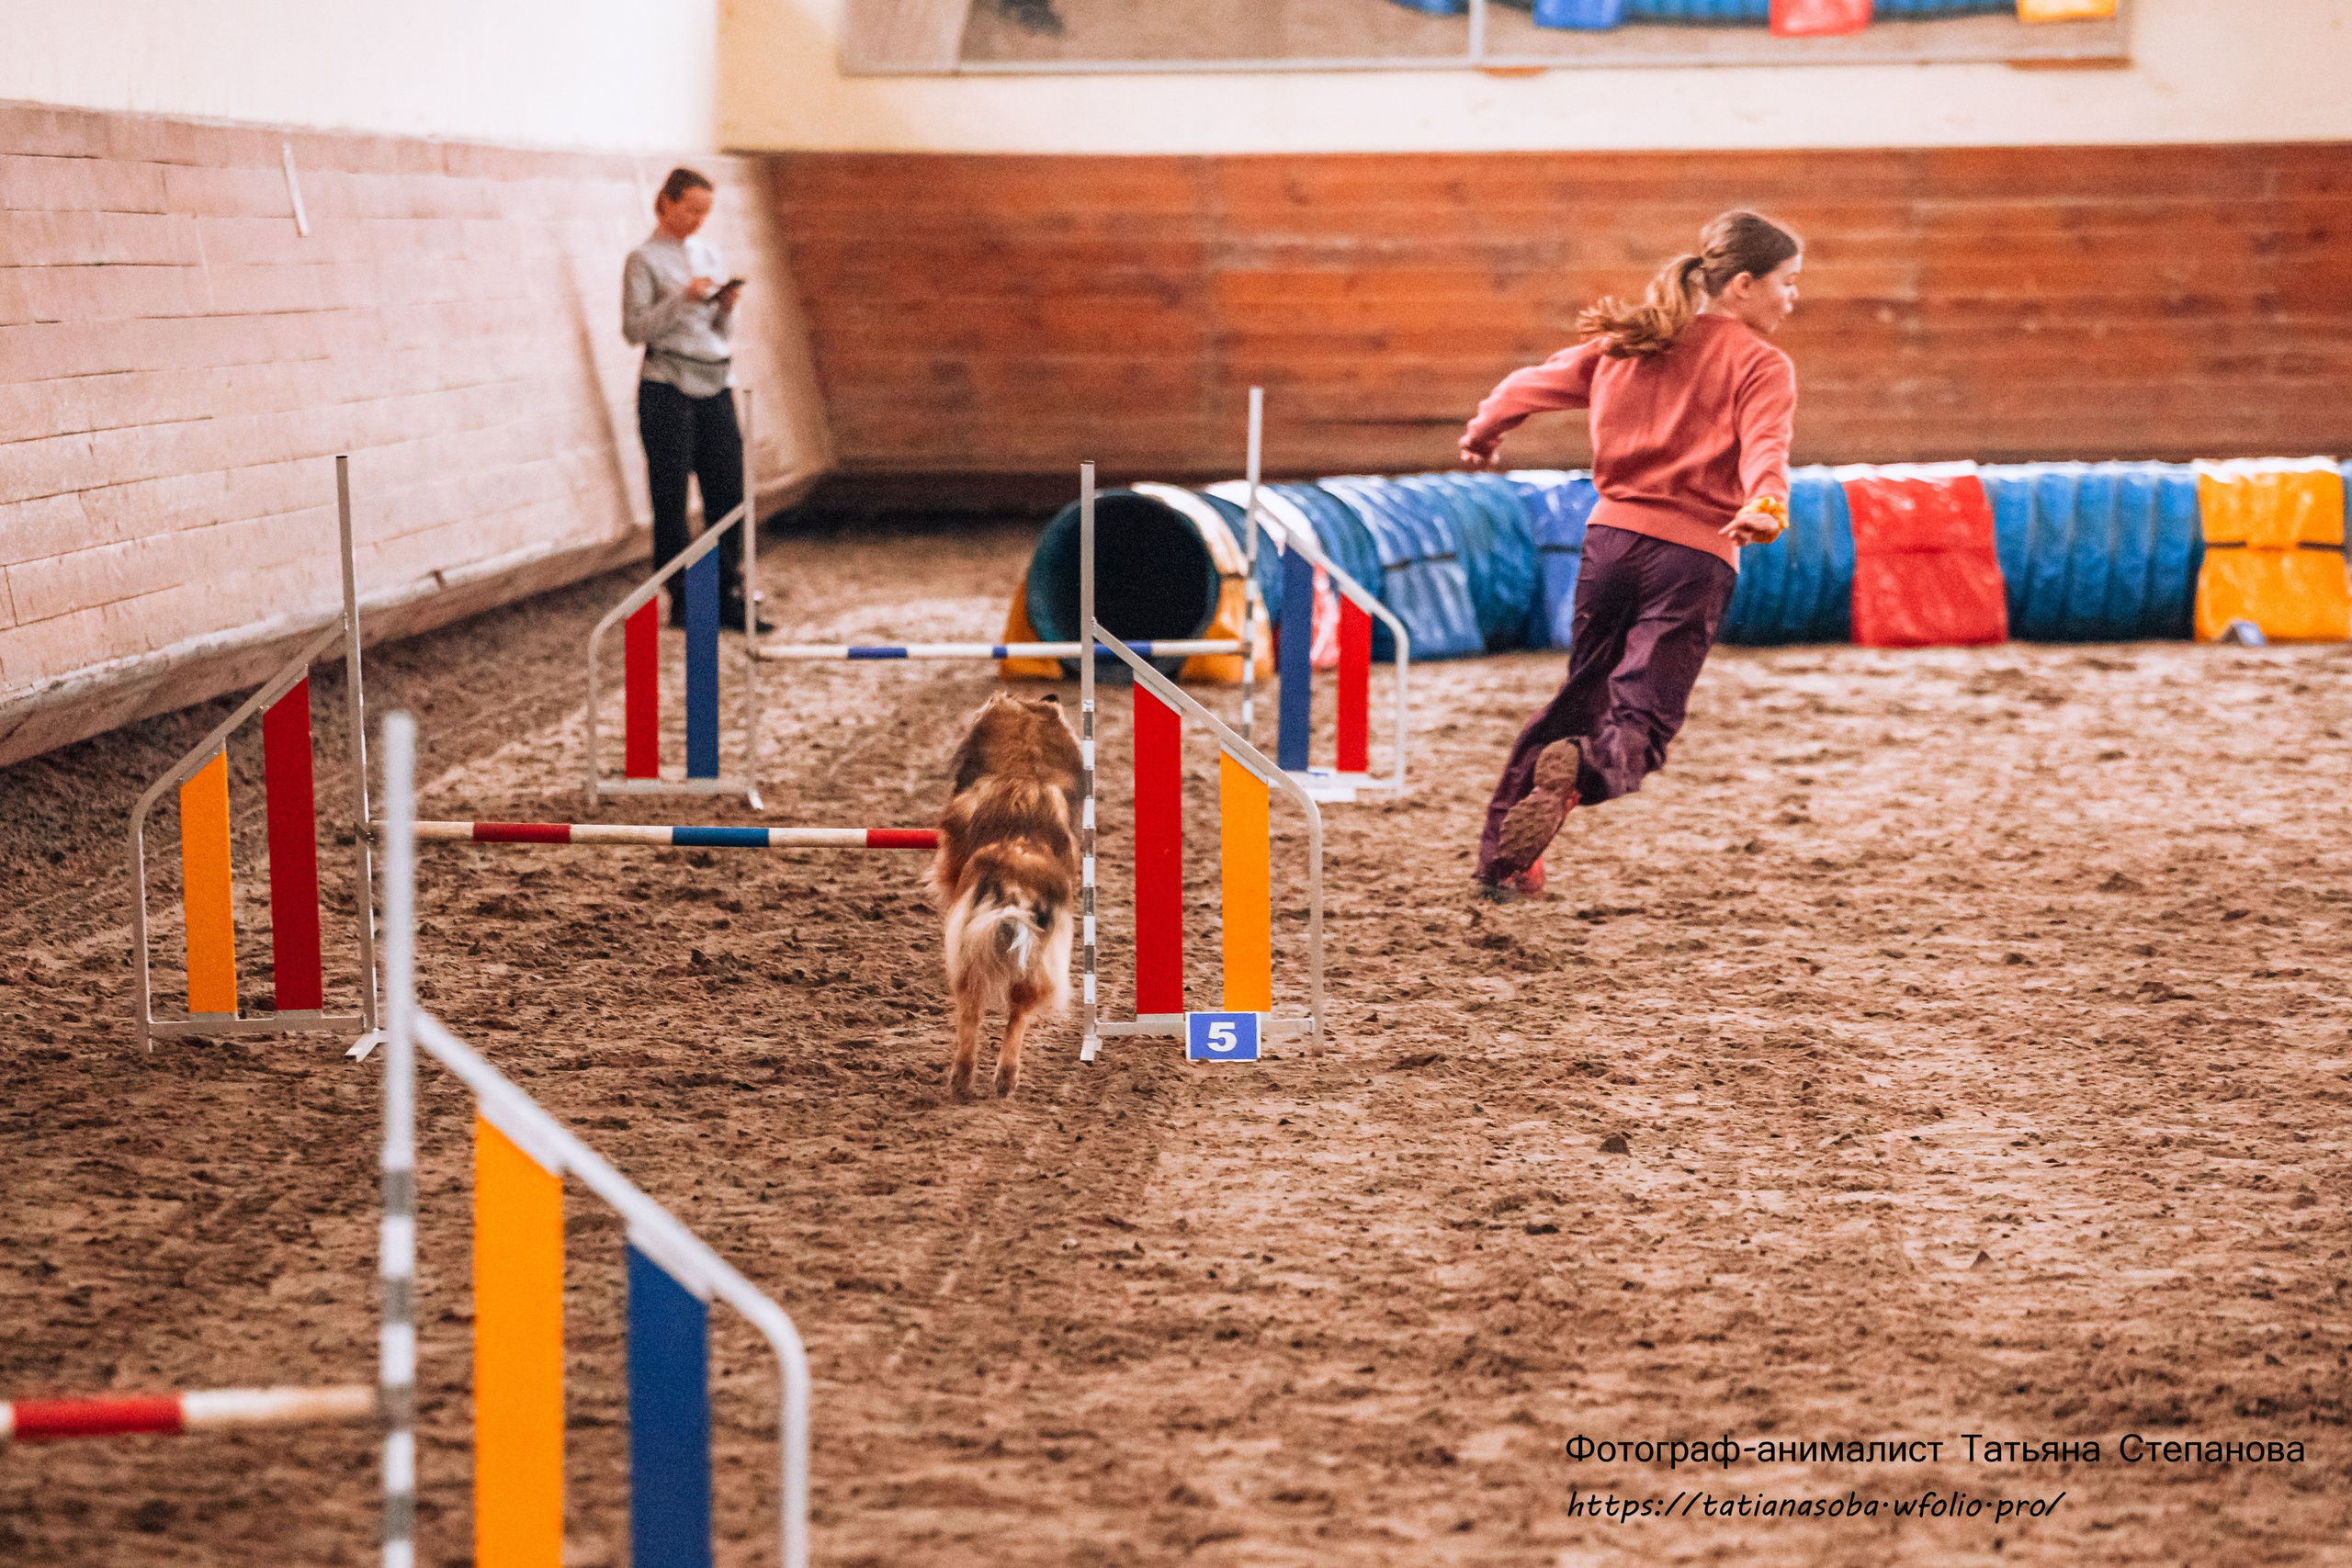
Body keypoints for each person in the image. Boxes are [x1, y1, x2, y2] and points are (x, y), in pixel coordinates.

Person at [1458, 209, 1803, 901]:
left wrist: (1485, 434)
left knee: (1579, 693)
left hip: (1608, 544)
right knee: (1639, 719)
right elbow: (1767, 447)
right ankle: (1581, 771)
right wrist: (1765, 504)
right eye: (1788, 283)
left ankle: (1504, 864)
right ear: (1741, 284)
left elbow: (1523, 386)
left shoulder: (1632, 340)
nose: (1793, 298)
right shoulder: (1762, 364)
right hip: (1696, 556)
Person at [623, 166, 771, 633]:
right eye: (690, 210)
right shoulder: (643, 259)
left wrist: (725, 308)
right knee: (670, 498)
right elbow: (634, 330)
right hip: (666, 384)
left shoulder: (708, 253)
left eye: (704, 213)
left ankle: (727, 592)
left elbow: (719, 332)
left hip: (712, 378)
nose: (697, 221)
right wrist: (681, 300)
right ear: (665, 203)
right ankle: (682, 598)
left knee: (727, 491)